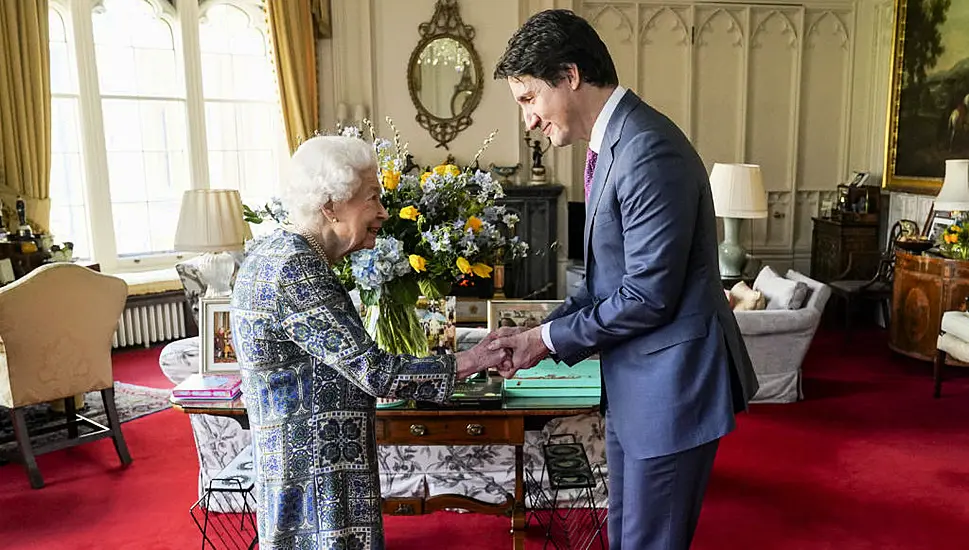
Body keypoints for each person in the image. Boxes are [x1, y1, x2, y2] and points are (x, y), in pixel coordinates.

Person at [490, 10, 759, 550]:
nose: (528, 122)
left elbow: (646, 296)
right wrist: (533, 336)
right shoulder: (611, 145)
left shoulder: (647, 149)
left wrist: (543, 341)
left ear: (568, 76)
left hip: (672, 388)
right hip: (638, 384)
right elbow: (602, 284)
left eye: (528, 99)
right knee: (627, 538)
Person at [230, 135, 509, 550]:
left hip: (304, 465)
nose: (382, 212)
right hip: (316, 478)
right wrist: (472, 359)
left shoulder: (279, 254)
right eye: (372, 198)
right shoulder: (296, 269)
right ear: (330, 205)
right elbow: (375, 372)